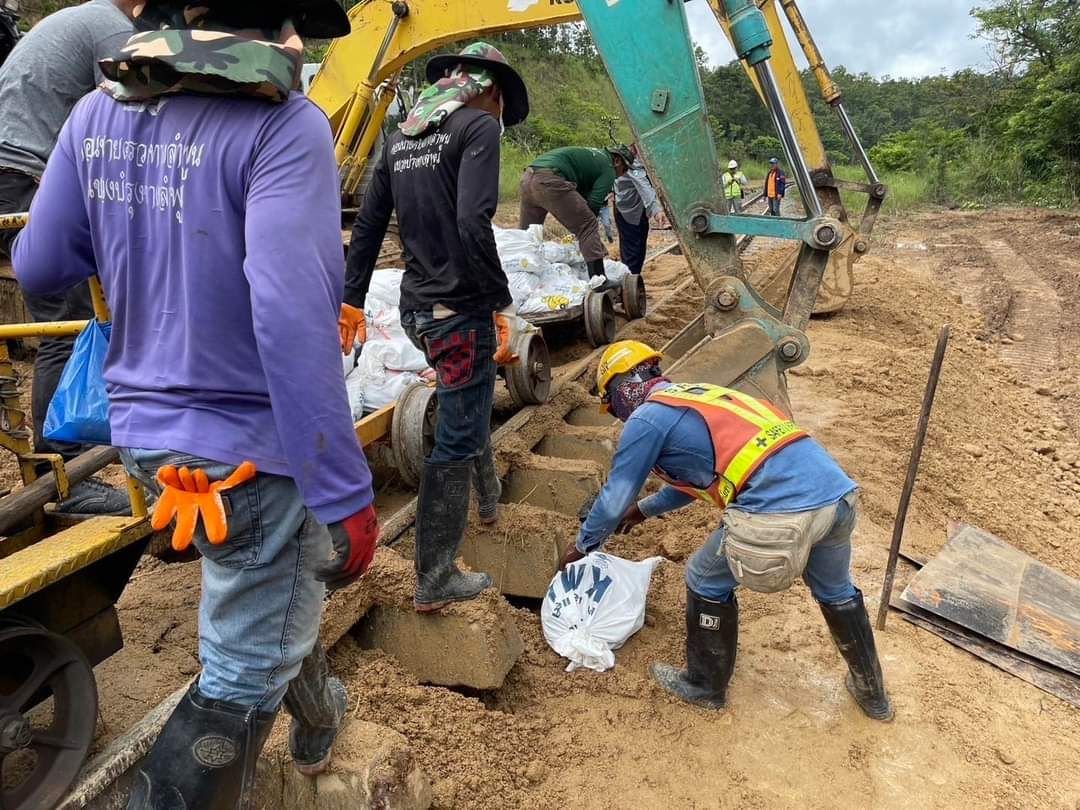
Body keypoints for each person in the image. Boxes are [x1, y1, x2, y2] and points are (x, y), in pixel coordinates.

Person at [13, 1, 381, 806]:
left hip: (147, 441)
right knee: (243, 661)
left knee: (269, 583)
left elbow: (40, 265)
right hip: (249, 451)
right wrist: (346, 491)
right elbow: (290, 315)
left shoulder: (95, 111)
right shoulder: (285, 126)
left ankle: (319, 720)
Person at [561, 340, 893, 722]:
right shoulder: (697, 397)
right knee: (835, 591)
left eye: (612, 404)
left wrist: (584, 544)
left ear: (621, 388)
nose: (617, 415)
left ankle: (704, 686)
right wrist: (644, 511)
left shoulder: (646, 417)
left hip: (780, 506)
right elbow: (697, 480)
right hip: (836, 497)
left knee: (703, 577)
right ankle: (873, 696)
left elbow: (616, 494)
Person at [342, 42, 529, 613]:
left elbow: (369, 224)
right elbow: (475, 221)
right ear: (490, 90)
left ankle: (490, 500)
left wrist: (348, 301)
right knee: (455, 434)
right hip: (460, 312)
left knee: (464, 403)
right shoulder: (479, 129)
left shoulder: (401, 137)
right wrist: (500, 303)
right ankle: (436, 575)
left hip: (417, 310)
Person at [0, 0, 137, 514]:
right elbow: (136, 111)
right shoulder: (112, 27)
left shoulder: (76, 21)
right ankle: (65, 471)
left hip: (16, 174)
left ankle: (66, 459)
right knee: (69, 323)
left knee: (77, 316)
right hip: (21, 180)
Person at [519, 145, 621, 290]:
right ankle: (599, 280)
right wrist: (592, 241)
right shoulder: (608, 168)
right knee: (588, 224)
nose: (621, 175)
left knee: (527, 234)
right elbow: (594, 204)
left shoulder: (593, 155)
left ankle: (520, 280)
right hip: (549, 180)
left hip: (528, 177)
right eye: (625, 170)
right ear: (617, 161)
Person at [611, 143, 661, 276]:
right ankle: (630, 284)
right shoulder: (632, 165)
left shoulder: (627, 162)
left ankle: (631, 281)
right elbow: (644, 186)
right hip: (630, 213)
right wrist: (656, 211)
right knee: (634, 251)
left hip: (630, 211)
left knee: (633, 249)